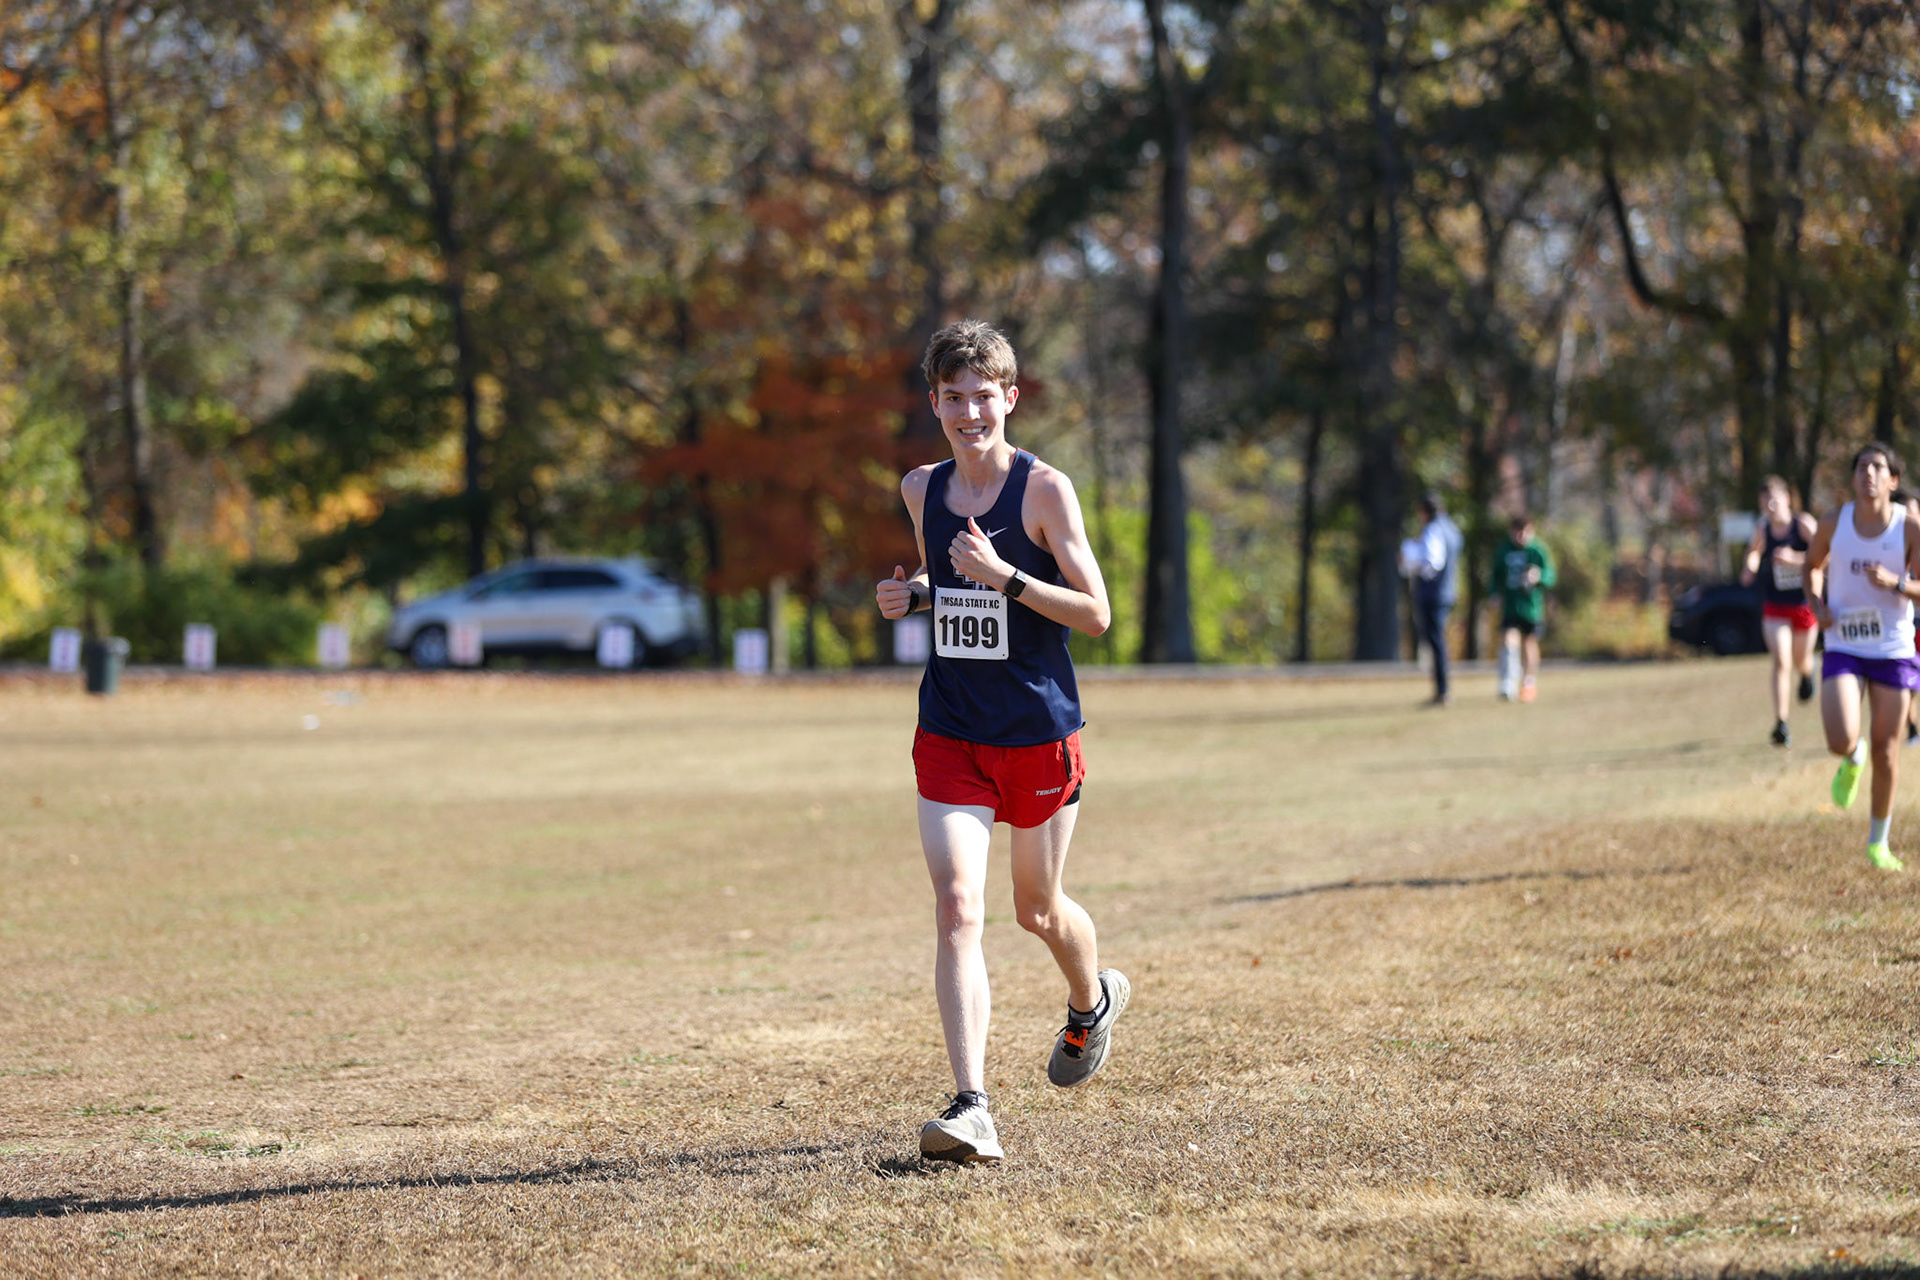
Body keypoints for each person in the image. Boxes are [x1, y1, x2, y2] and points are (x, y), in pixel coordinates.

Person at [874, 319, 1128, 1164]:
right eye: (954, 398)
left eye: (985, 397)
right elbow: (940, 586)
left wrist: (1010, 578)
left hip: (1037, 732)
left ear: (1010, 399)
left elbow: (1096, 615)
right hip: (950, 727)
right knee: (957, 908)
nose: (970, 412)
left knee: (1037, 910)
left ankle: (1090, 1001)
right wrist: (911, 596)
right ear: (935, 402)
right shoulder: (921, 487)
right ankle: (972, 1105)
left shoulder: (1045, 492)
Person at [1805, 442, 1916, 873]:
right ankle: (1852, 755)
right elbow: (1812, 565)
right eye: (1862, 467)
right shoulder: (1835, 523)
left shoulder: (1909, 528)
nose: (1869, 473)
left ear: (1892, 480)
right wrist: (1815, 604)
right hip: (1845, 643)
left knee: (1889, 751)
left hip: (1891, 647)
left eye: (1877, 467)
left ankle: (1878, 843)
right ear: (1853, 479)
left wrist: (1896, 584)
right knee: (1839, 737)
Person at [1739, 475, 1819, 746]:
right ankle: (1781, 723)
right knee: (1781, 662)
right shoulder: (1763, 528)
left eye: (1774, 498)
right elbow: (1753, 551)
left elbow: (1827, 554)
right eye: (1765, 501)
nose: (1770, 505)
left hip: (1805, 605)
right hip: (1775, 606)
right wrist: (1749, 566)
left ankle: (1808, 673)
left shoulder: (1804, 524)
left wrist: (1796, 559)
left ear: (1786, 498)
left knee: (1799, 661)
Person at [1399, 492, 1466, 705]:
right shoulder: (1452, 528)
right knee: (1439, 641)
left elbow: (1432, 563)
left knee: (1436, 642)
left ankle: (1442, 690)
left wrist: (1409, 560)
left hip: (1432, 593)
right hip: (1447, 591)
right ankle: (1442, 689)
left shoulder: (1433, 529)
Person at [1490, 514, 1556, 702]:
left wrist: (1539, 576)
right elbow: (1495, 576)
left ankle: (1528, 682)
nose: (1522, 537)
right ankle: (1507, 681)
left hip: (1532, 607)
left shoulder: (1538, 550)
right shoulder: (1504, 550)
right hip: (1511, 606)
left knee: (1529, 642)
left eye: (1525, 532)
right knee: (1509, 640)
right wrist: (1494, 594)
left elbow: (1551, 577)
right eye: (1518, 532)